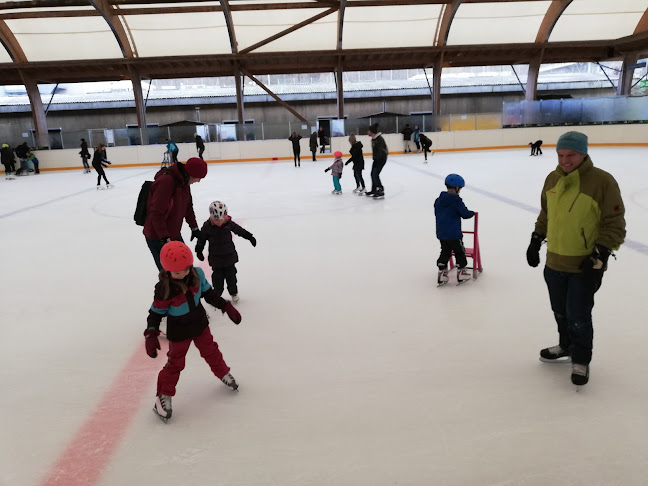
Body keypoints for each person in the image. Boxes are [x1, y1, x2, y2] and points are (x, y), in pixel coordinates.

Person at [526, 131, 625, 386]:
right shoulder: (552, 179)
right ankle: (566, 346)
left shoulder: (602, 181)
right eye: (560, 155)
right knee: (560, 312)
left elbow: (614, 224)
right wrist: (536, 239)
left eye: (571, 155)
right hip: (554, 262)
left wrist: (600, 254)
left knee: (578, 315)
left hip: (584, 265)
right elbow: (546, 214)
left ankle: (581, 358)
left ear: (583, 153)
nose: (564, 160)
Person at [144, 241, 242, 422]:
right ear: (167, 270)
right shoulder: (164, 289)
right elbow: (155, 313)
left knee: (211, 351)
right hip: (179, 331)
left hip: (199, 324)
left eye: (185, 270)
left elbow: (209, 295)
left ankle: (223, 373)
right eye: (176, 272)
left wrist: (225, 306)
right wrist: (151, 332)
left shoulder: (197, 275)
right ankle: (163, 396)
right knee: (175, 364)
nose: (181, 274)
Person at [144, 157, 207, 270]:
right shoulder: (167, 181)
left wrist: (194, 228)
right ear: (191, 173)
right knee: (170, 273)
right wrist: (164, 238)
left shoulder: (184, 182)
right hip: (157, 236)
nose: (198, 181)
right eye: (198, 177)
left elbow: (188, 207)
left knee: (185, 268)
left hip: (173, 233)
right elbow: (156, 212)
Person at [195, 201, 257, 303]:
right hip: (216, 259)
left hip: (229, 256)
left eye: (221, 219)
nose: (219, 221)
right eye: (216, 219)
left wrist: (249, 237)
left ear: (225, 216)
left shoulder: (229, 224)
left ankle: (233, 293)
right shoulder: (207, 227)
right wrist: (199, 250)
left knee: (231, 276)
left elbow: (239, 230)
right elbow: (201, 240)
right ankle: (217, 295)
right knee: (217, 279)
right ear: (211, 217)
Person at [435, 174, 475, 285]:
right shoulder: (456, 201)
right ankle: (461, 271)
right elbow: (465, 214)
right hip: (454, 234)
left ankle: (442, 272)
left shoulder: (438, 200)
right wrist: (472, 213)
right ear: (457, 188)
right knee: (460, 251)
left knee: (445, 250)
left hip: (441, 233)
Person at [366, 123, 388, 198]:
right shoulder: (374, 139)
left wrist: (378, 159)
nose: (367, 132)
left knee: (375, 174)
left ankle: (380, 189)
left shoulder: (379, 139)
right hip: (376, 159)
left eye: (368, 131)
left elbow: (381, 151)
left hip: (381, 159)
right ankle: (374, 189)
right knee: (373, 174)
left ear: (372, 132)